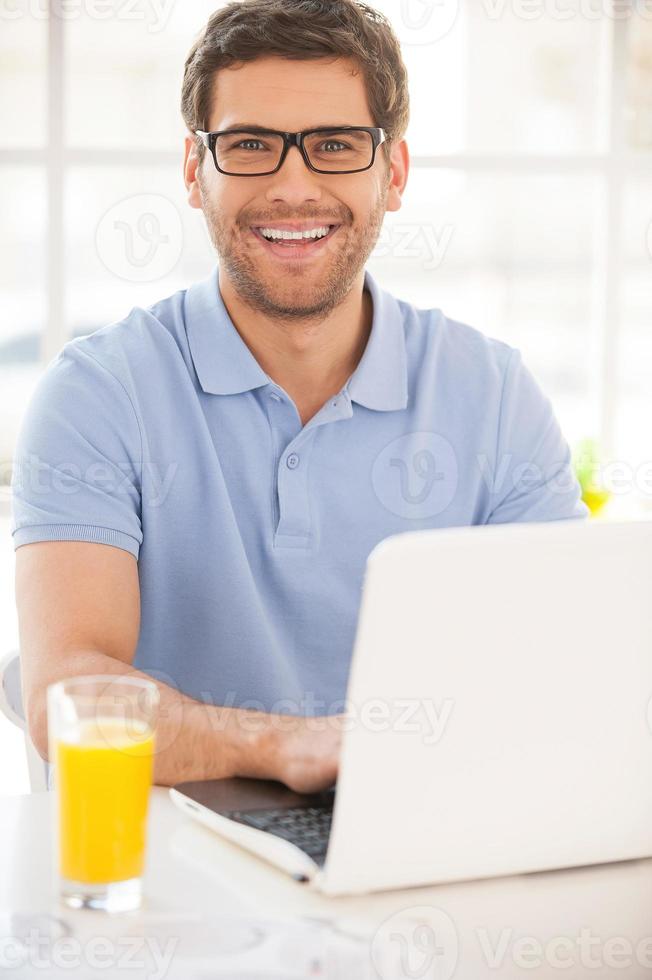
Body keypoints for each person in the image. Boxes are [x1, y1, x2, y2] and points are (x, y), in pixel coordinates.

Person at [11, 0, 588, 792]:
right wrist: (284, 746)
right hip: (160, 871)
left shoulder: (493, 394)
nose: (292, 185)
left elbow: (569, 670)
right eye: (250, 145)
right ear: (193, 171)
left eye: (335, 146)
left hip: (415, 846)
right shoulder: (99, 395)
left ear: (394, 174)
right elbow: (64, 695)